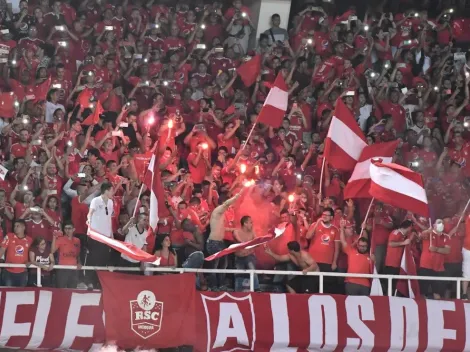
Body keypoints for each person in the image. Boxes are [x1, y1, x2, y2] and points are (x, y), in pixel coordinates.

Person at [206, 191, 242, 290]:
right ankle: (213, 286)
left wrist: (233, 229)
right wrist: (236, 197)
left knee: (223, 265)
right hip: (213, 243)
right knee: (215, 265)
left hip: (219, 243)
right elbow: (227, 204)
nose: (230, 207)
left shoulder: (220, 215)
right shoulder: (217, 211)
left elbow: (222, 228)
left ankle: (220, 285)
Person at [86, 182, 114, 289]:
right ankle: (91, 282)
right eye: (111, 190)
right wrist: (89, 220)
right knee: (94, 260)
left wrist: (111, 235)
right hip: (96, 236)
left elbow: (109, 219)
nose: (113, 193)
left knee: (104, 261)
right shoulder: (96, 201)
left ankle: (100, 283)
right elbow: (90, 213)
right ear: (106, 191)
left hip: (106, 238)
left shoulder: (111, 202)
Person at [306, 207, 340, 293]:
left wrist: (334, 262)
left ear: (332, 217)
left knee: (325, 287)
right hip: (313, 261)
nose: (324, 217)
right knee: (312, 285)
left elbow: (337, 248)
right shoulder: (314, 224)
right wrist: (317, 223)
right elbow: (308, 236)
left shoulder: (335, 229)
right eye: (323, 214)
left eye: (327, 215)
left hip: (327, 262)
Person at [418, 219, 451, 299]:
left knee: (437, 294)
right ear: (434, 225)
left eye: (442, 223)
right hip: (425, 266)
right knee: (423, 293)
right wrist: (427, 231)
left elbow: (447, 250)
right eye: (439, 222)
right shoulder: (428, 234)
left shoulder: (446, 237)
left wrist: (435, 249)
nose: (441, 224)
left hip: (439, 268)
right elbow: (420, 236)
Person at [338, 219, 372, 296]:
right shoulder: (351, 251)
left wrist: (364, 229)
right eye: (360, 246)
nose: (362, 247)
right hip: (351, 283)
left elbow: (365, 239)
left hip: (365, 285)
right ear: (357, 245)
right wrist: (342, 229)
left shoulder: (370, 256)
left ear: (367, 246)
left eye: (364, 246)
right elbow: (343, 241)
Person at [382, 220, 414, 295]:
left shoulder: (403, 235)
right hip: (391, 264)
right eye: (411, 228)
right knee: (390, 285)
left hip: (398, 265)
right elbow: (390, 243)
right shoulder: (395, 233)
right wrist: (403, 243)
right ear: (409, 227)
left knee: (395, 285)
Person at [0, 220, 32, 287]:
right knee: (8, 293)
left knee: (21, 294)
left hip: (22, 272)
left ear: (23, 227)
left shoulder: (29, 240)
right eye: (14, 226)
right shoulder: (9, 236)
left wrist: (29, 262)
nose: (15, 228)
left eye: (18, 226)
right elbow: (2, 250)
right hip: (8, 271)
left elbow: (31, 255)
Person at [233, 215, 260, 291]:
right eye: (251, 222)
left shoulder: (253, 232)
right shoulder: (236, 231)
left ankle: (256, 288)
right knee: (238, 273)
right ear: (245, 223)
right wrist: (246, 244)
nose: (252, 224)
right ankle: (237, 290)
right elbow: (239, 240)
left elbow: (257, 242)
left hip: (249, 256)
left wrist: (259, 243)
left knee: (252, 269)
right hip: (239, 257)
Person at [52, 221, 81, 289]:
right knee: (60, 291)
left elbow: (78, 254)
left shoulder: (77, 240)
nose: (67, 230)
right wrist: (54, 238)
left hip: (74, 270)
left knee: (72, 291)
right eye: (65, 228)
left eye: (69, 228)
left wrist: (79, 262)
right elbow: (52, 251)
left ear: (74, 229)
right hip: (62, 269)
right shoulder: (60, 239)